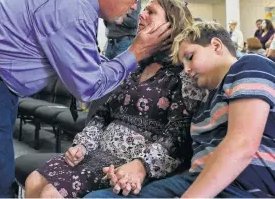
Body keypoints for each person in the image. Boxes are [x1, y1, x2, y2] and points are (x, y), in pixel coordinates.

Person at [0, 0, 173, 198]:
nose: (136, 8)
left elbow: (89, 63)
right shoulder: (71, 6)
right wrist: (135, 53)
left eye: (147, 8)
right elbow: (89, 86)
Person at [24, 0, 206, 198]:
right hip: (96, 153)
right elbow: (102, 115)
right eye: (143, 9)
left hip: (128, 164)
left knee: (51, 194)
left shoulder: (182, 73)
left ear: (170, 27)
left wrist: (141, 165)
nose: (141, 14)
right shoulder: (134, 68)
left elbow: (178, 135)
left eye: (151, 12)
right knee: (34, 181)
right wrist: (83, 145)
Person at [86, 21, 275, 198]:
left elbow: (242, 144)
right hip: (194, 180)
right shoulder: (204, 105)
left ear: (216, 46)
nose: (186, 70)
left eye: (190, 57)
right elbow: (197, 162)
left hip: (242, 186)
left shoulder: (249, 65)